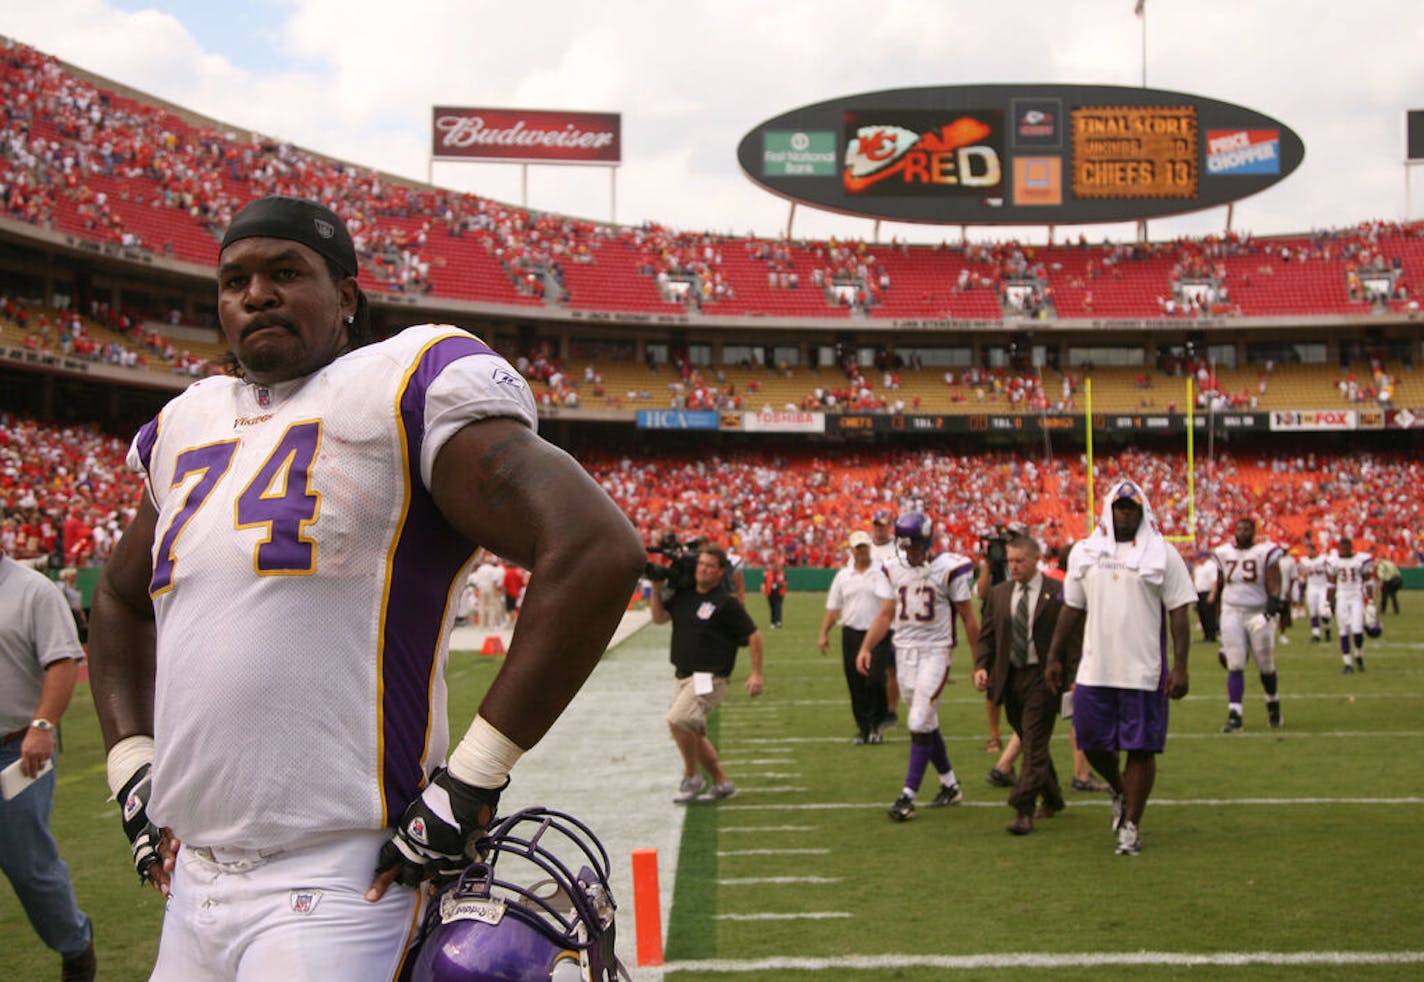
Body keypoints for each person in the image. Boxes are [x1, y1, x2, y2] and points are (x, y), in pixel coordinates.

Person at [85, 195, 644, 981]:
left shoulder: (398, 385)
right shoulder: (188, 421)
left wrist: (475, 776)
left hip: (345, 874)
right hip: (195, 879)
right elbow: (116, 598)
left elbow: (595, 546)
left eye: (286, 272)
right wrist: (131, 765)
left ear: (347, 295)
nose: (257, 294)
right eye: (234, 279)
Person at [1044, 478, 1194, 857]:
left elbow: (1179, 610)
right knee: (1091, 740)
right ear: (1109, 510)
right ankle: (1119, 788)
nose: (1126, 513)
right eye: (1120, 507)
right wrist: (1055, 656)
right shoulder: (1085, 552)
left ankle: (1131, 824)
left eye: (1132, 507)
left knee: (1141, 748)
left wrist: (1181, 666)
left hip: (1143, 669)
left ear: (1142, 511)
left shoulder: (1162, 553)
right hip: (1096, 667)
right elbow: (1072, 607)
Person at [1, 548, 96, 981]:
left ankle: (76, 945)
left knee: (28, 864)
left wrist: (42, 726)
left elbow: (62, 661)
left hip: (18, 748)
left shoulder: (32, 590)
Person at [856, 512, 979, 822]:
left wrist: (980, 662)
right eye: (906, 546)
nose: (909, 552)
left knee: (918, 720)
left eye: (915, 546)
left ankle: (907, 796)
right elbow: (886, 614)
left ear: (927, 542)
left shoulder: (948, 568)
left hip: (936, 651)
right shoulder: (893, 568)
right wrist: (866, 646)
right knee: (925, 720)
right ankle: (950, 785)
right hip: (905, 651)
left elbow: (968, 617)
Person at [973, 535, 1073, 835]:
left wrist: (1072, 676)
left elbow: (1072, 638)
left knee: (1034, 738)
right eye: (1010, 561)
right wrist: (981, 666)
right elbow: (987, 636)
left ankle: (1023, 807)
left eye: (1020, 561)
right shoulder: (1000, 594)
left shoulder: (1057, 593)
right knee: (1031, 739)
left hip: (1043, 676)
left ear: (1036, 559)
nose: (1014, 567)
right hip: (1009, 675)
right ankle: (1053, 798)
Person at [649, 544, 764, 803]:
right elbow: (658, 618)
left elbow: (754, 635)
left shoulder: (725, 602)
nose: (703, 569)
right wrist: (656, 586)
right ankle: (722, 783)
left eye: (710, 565)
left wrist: (756, 673)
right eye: (701, 564)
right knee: (693, 734)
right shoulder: (684, 595)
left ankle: (692, 777)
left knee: (677, 721)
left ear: (721, 571)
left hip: (710, 677)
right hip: (682, 675)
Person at [1212, 517, 1285, 732]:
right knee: (1235, 664)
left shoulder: (1264, 552)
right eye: (1239, 528)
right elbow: (1220, 584)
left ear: (1253, 531)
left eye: (1246, 529)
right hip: (1231, 611)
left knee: (1266, 665)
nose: (1242, 532)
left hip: (1257, 612)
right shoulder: (1223, 553)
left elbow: (1274, 583)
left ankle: (1272, 702)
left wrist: (1270, 610)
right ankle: (1235, 714)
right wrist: (1218, 621)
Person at [817, 530, 888, 744]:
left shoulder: (881, 573)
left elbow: (890, 604)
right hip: (851, 632)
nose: (862, 551)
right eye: (858, 547)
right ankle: (864, 728)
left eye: (865, 546)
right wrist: (823, 633)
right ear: (852, 550)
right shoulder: (843, 576)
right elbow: (833, 608)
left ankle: (877, 723)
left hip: (876, 633)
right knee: (855, 682)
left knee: (875, 679)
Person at [868, 509, 900, 730]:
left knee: (891, 669)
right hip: (869, 613)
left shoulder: (898, 548)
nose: (879, 529)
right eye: (877, 525)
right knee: (870, 668)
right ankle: (874, 711)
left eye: (883, 525)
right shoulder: (865, 548)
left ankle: (891, 711)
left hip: (893, 615)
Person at [1328, 536, 1374, 674]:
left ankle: (1358, 655)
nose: (1344, 550)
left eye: (1346, 547)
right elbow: (1331, 583)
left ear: (1351, 547)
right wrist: (1327, 602)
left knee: (1357, 629)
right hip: (1341, 596)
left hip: (1356, 596)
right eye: (1342, 547)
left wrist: (1370, 600)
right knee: (1343, 630)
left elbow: (1367, 581)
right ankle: (1347, 663)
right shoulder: (1333, 561)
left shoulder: (1360, 560)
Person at [1299, 537, 1333, 642]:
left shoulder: (1323, 559)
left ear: (1314, 550)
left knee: (1323, 611)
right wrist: (1302, 587)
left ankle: (1327, 629)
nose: (1307, 552)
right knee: (1313, 612)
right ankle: (1316, 634)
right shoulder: (1304, 561)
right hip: (1311, 587)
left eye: (1309, 550)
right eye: (1306, 550)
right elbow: (1303, 574)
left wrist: (1331, 586)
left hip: (1322, 587)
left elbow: (1330, 573)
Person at [1192, 550, 1221, 643]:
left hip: (1207, 592)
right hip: (1199, 592)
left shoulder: (1210, 566)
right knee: (1202, 614)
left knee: (1209, 615)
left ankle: (1211, 635)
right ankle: (1206, 635)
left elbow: (1214, 581)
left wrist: (1212, 594)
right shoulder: (1198, 567)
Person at [55, 566, 88, 643]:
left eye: (75, 576)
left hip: (76, 613)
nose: (75, 577)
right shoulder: (62, 587)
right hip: (68, 612)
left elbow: (79, 603)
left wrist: (82, 614)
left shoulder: (77, 588)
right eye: (73, 576)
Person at [763, 554, 787, 628]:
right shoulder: (768, 574)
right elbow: (764, 583)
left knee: (778, 607)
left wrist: (781, 583)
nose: (775, 568)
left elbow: (785, 583)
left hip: (779, 592)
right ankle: (773, 622)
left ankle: (778, 621)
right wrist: (764, 590)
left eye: (776, 566)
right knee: (772, 607)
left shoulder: (781, 573)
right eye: (774, 566)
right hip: (770, 592)